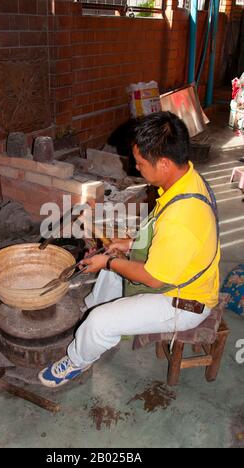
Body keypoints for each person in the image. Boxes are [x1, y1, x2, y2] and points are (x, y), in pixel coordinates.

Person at [38, 111, 220, 388]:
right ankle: (95, 317)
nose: (136, 169)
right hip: (181, 270)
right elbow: (167, 241)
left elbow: (151, 278)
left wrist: (107, 263)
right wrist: (126, 245)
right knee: (113, 254)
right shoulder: (184, 180)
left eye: (140, 163)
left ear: (165, 163)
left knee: (101, 317)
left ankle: (78, 359)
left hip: (185, 300)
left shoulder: (183, 217)